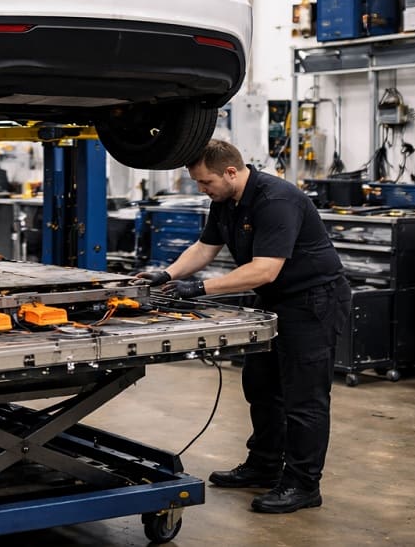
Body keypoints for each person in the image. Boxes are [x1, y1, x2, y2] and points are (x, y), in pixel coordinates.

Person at [138, 139, 351, 514]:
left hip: (313, 301)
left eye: (206, 183)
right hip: (273, 301)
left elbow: (265, 269)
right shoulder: (224, 202)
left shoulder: (276, 200)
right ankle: (264, 465)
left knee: (304, 399)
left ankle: (303, 485)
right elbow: (205, 248)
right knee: (262, 387)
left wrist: (200, 287)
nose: (202, 190)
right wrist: (167, 273)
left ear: (231, 172)